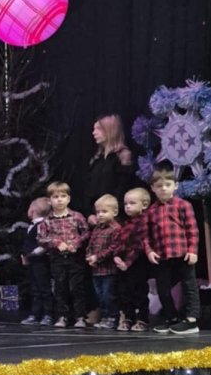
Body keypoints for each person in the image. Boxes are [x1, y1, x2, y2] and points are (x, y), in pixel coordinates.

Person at [144, 168, 200, 335]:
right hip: (162, 255)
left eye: (167, 185)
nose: (163, 189)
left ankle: (191, 320)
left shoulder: (183, 205)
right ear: (153, 188)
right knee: (163, 288)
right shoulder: (151, 211)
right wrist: (149, 251)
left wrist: (192, 250)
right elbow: (145, 235)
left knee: (189, 285)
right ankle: (171, 318)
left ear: (175, 186)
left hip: (183, 253)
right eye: (159, 186)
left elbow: (192, 229)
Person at [39, 182, 89, 328]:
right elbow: (41, 239)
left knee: (77, 288)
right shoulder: (47, 221)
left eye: (63, 196)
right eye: (55, 197)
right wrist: (56, 242)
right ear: (49, 200)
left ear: (69, 199)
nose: (59, 199)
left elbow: (86, 233)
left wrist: (76, 243)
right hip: (57, 259)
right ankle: (62, 316)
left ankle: (80, 316)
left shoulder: (77, 216)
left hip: (75, 258)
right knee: (60, 288)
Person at [113, 187, 152, 332]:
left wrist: (127, 263)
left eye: (132, 203)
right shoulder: (126, 223)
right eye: (125, 204)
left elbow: (139, 245)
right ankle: (128, 317)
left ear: (144, 204)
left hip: (137, 262)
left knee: (139, 291)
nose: (128, 206)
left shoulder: (144, 221)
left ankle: (142, 319)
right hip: (123, 263)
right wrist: (116, 256)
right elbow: (119, 242)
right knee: (124, 291)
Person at [84, 116, 136, 216]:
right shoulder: (97, 159)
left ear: (110, 130)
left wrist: (110, 211)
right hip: (96, 215)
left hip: (114, 215)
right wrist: (90, 214)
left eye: (98, 129)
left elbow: (123, 188)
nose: (94, 133)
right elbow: (88, 190)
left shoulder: (122, 156)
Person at [85, 195, 121, 329]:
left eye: (104, 211)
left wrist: (98, 257)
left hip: (109, 270)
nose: (100, 215)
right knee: (100, 295)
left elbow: (113, 248)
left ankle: (113, 317)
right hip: (96, 270)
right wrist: (89, 256)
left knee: (108, 295)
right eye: (98, 212)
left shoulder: (116, 229)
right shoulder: (97, 228)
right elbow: (90, 244)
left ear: (114, 212)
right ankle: (105, 317)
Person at [20, 197, 52, 326]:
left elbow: (44, 245)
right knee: (35, 288)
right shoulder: (33, 225)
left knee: (44, 288)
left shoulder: (42, 225)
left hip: (41, 262)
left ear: (32, 210)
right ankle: (35, 313)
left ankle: (48, 314)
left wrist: (31, 254)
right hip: (33, 262)